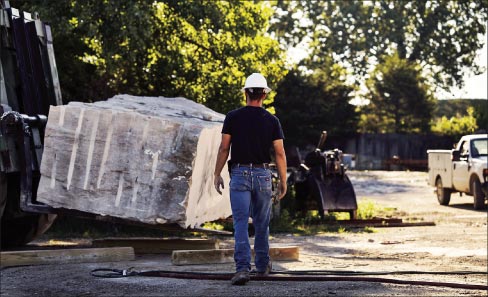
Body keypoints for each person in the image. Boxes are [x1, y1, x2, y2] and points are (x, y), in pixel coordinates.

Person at [213, 73, 287, 286]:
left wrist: (216, 173)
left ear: (246, 92)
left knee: (240, 223)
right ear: (264, 94)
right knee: (262, 223)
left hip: (239, 174)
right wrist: (283, 180)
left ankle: (243, 269)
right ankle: (262, 267)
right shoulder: (272, 120)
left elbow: (224, 147)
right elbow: (280, 153)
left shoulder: (233, 117)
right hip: (264, 176)